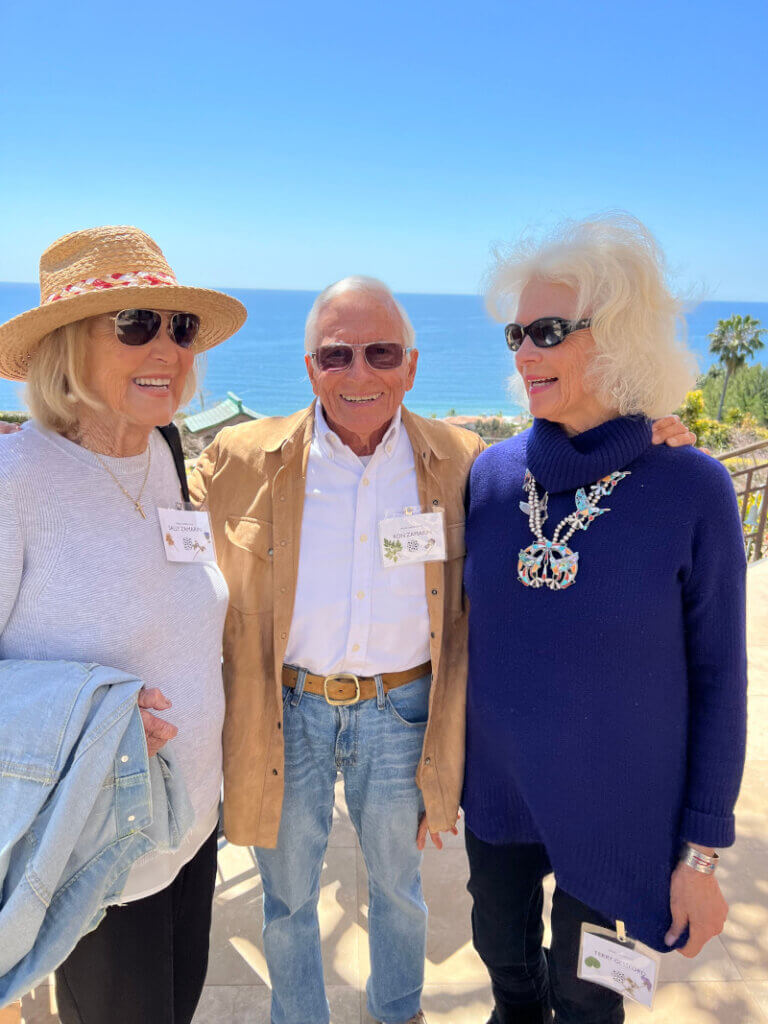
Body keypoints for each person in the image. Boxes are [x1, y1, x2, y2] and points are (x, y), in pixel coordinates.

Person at [188, 275, 693, 1024]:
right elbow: (153, 503)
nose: (359, 374)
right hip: (285, 710)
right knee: (287, 893)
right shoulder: (240, 457)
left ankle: (399, 1013)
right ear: (309, 370)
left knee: (398, 888)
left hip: (403, 711)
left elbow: (557, 483)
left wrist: (643, 445)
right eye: (336, 355)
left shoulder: (461, 460)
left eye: (381, 352)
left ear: (412, 366)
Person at [462, 214, 747, 1024]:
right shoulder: (487, 476)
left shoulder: (692, 489)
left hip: (623, 817)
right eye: (516, 333)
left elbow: (721, 681)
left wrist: (700, 856)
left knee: (590, 1002)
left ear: (617, 336)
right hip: (500, 805)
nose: (524, 353)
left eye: (548, 331)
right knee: (509, 977)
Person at [0, 225, 246, 1024]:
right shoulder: (17, 481)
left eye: (180, 328)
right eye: (136, 324)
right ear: (67, 348)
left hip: (188, 827)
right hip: (93, 848)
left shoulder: (164, 451)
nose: (170, 350)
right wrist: (89, 707)